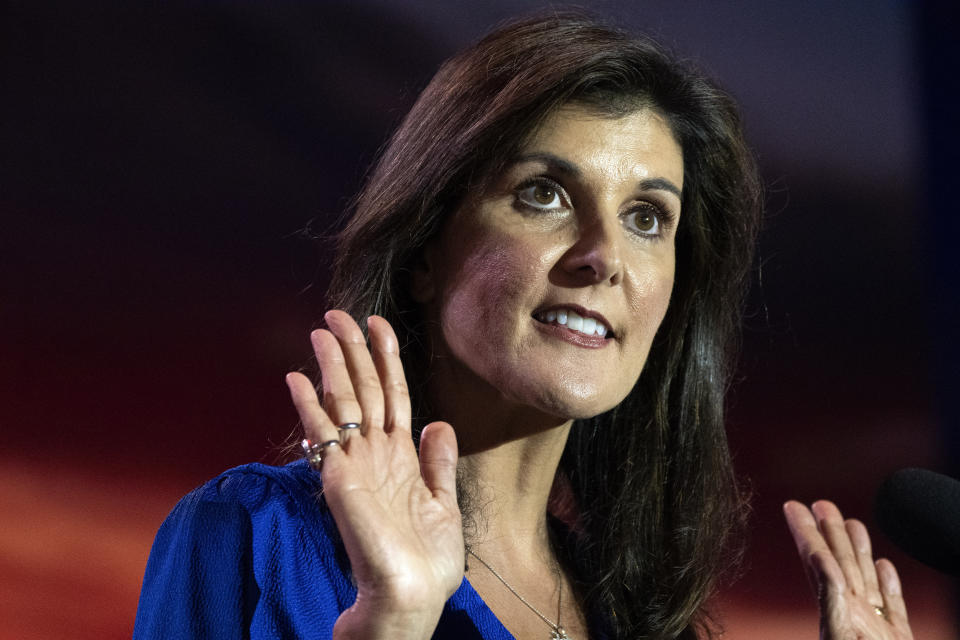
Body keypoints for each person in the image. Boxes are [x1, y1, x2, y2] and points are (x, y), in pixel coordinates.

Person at [134, 13, 914, 640]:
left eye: (647, 217)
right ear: (425, 250)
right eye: (544, 195)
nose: (604, 256)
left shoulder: (638, 621)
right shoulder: (255, 539)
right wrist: (394, 622)